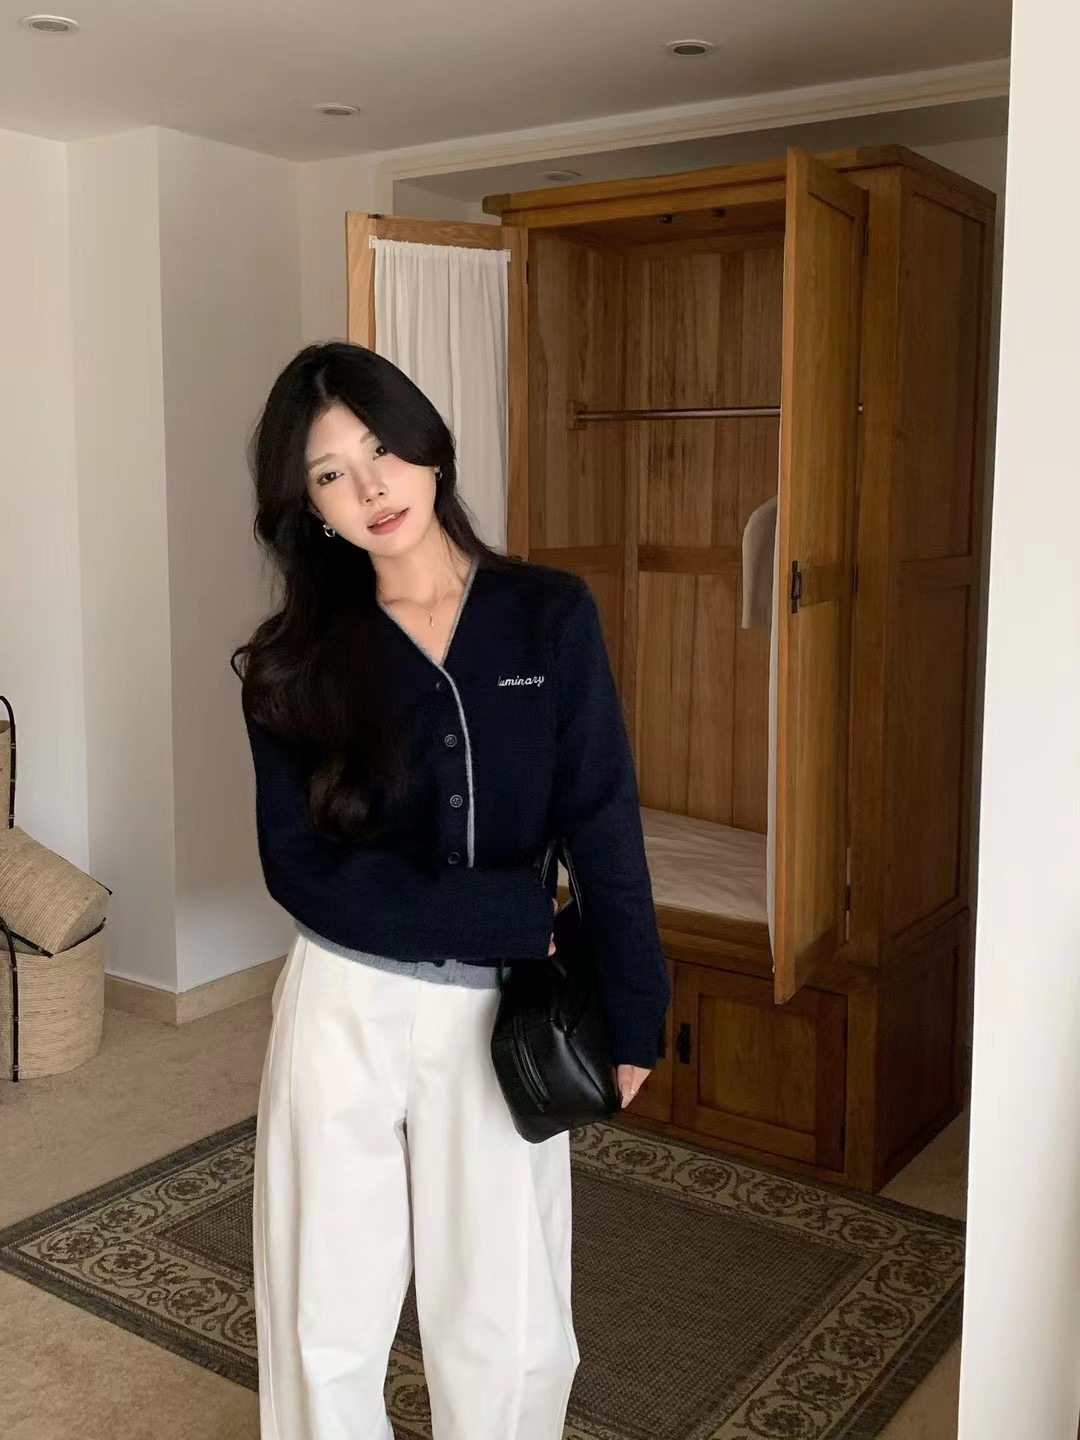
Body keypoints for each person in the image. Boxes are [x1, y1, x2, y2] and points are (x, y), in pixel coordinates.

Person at [235, 342, 670, 1440]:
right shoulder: (290, 661)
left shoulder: (548, 617)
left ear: (428, 445)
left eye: (381, 448)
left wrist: (635, 1006)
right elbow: (299, 867)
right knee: (323, 1310)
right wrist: (507, 914)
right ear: (309, 508)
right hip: (341, 1003)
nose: (370, 487)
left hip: (497, 1013)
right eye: (331, 473)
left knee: (506, 1317)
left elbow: (603, 821)